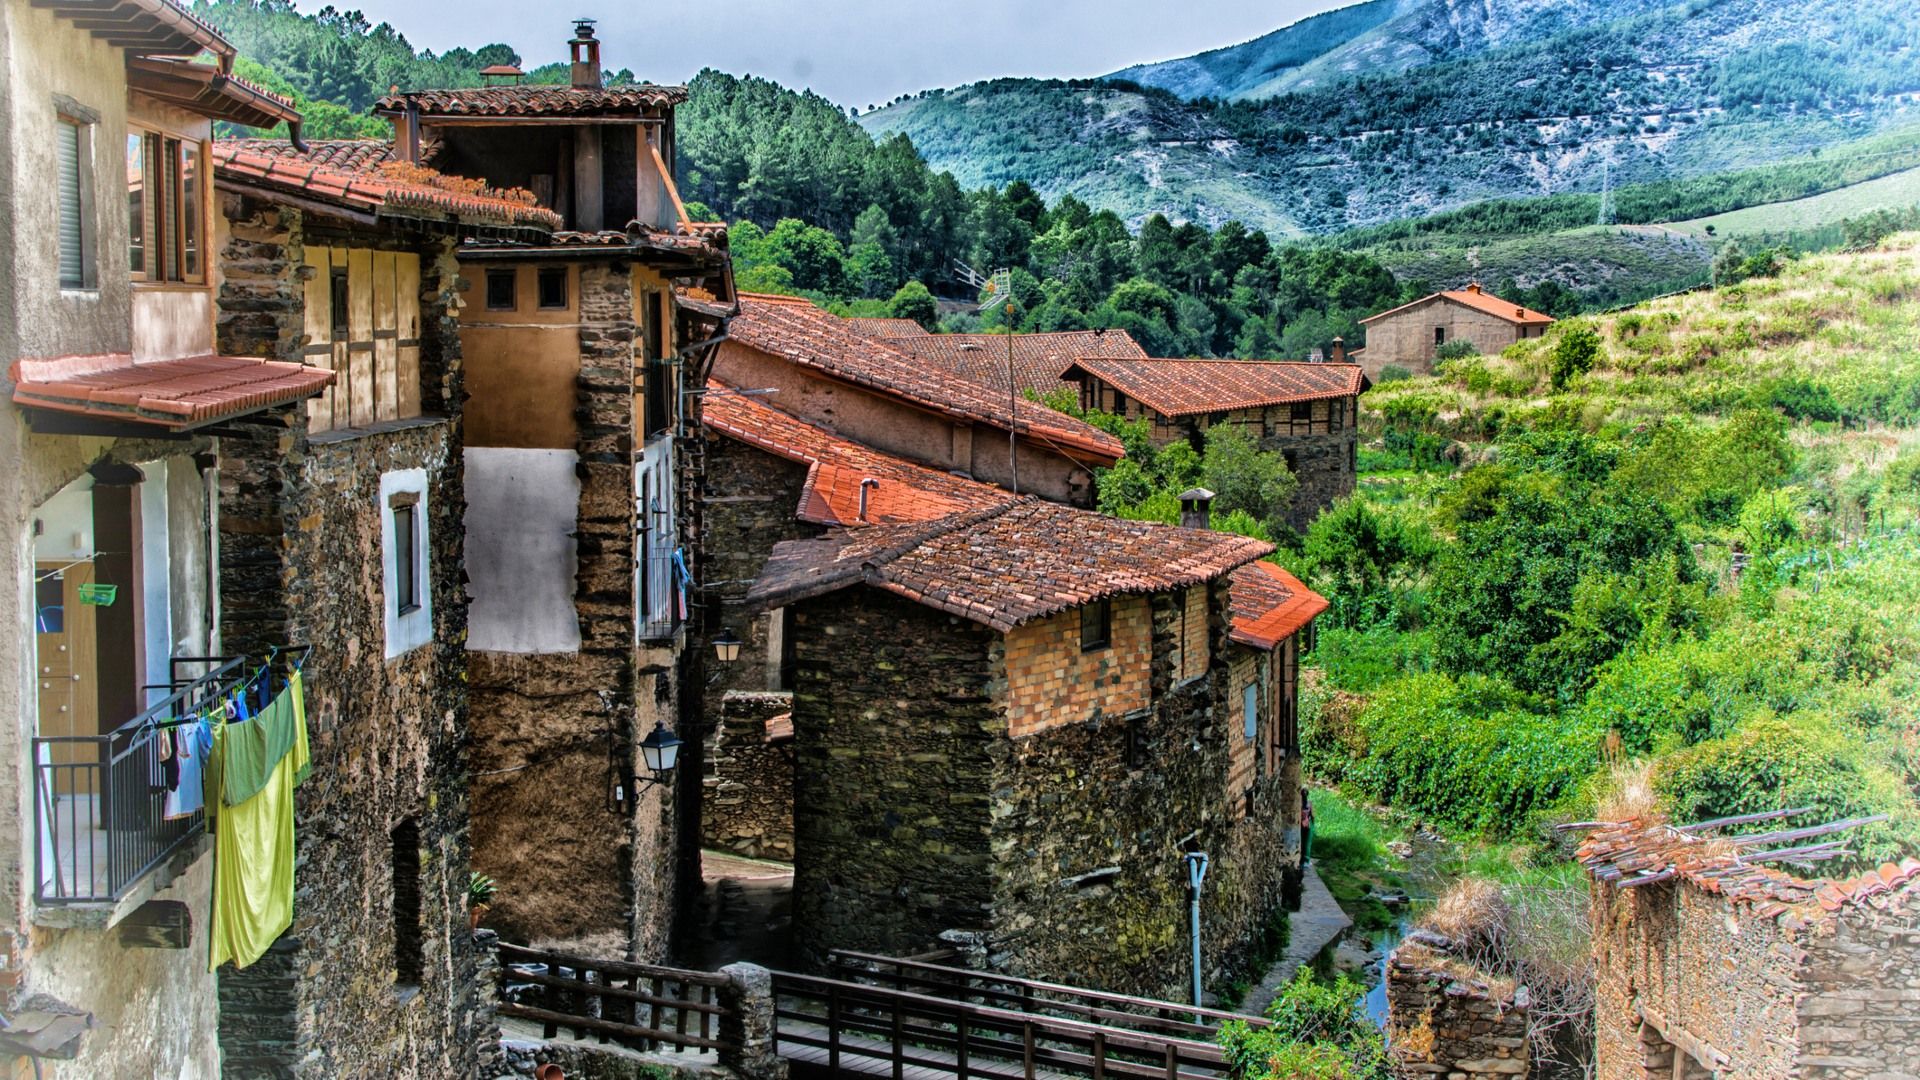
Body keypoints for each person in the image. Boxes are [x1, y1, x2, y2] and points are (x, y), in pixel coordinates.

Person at [1301, 787, 1314, 866]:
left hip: (1301, 824)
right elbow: (1312, 815)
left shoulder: (1299, 803)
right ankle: (1307, 860)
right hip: (1308, 824)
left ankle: (1301, 859)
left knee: (1301, 842)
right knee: (1308, 843)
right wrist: (1313, 823)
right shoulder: (1310, 803)